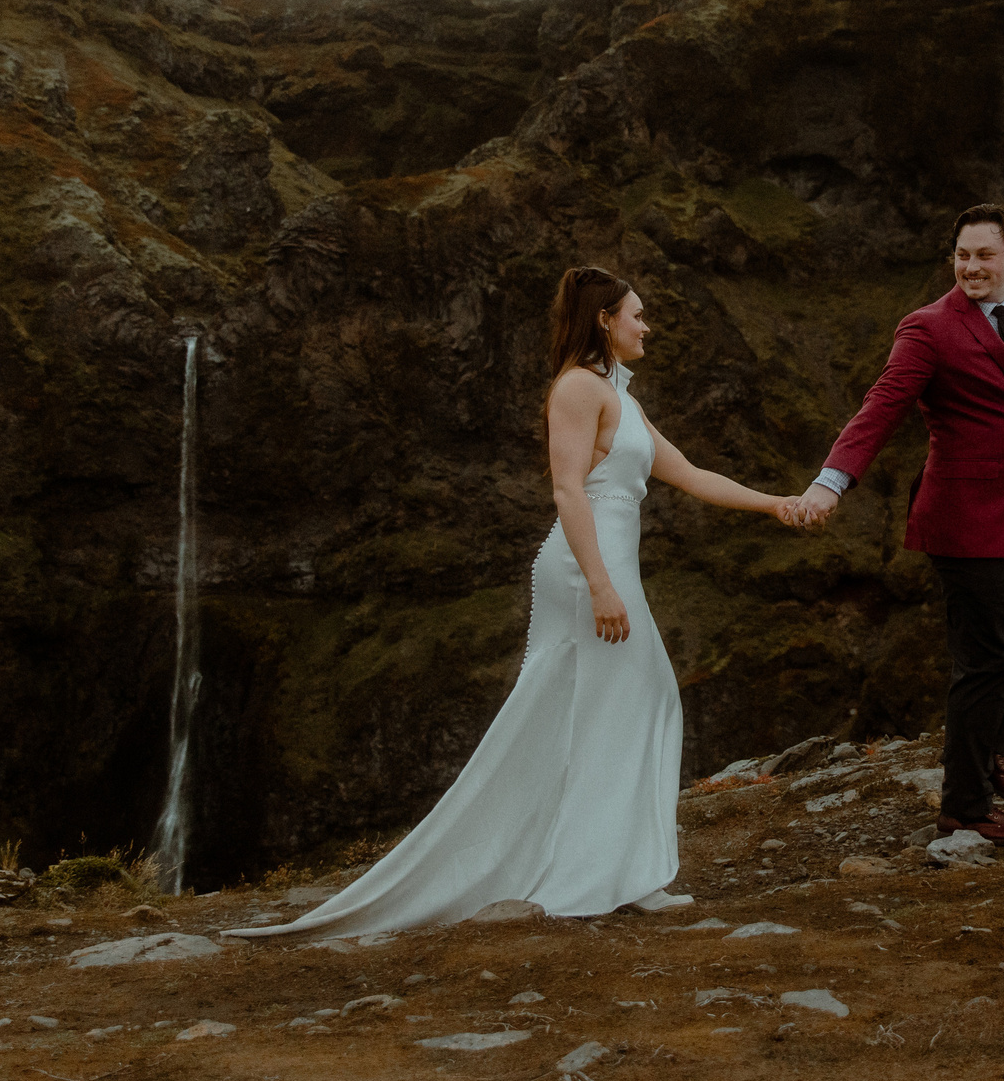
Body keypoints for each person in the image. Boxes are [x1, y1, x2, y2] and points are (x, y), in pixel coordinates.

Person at [230, 266, 800, 939]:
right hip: (585, 565)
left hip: (607, 563)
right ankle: (588, 874)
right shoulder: (578, 388)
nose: (646, 326)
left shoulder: (622, 395)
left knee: (626, 704)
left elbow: (690, 473)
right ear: (604, 320)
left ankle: (620, 870)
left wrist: (776, 504)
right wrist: (599, 584)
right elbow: (568, 490)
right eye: (637, 315)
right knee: (635, 697)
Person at [791, 204, 1004, 848]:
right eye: (962, 255)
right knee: (984, 664)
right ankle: (964, 810)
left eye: (984, 255)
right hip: (968, 523)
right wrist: (831, 483)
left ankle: (985, 749)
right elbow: (881, 406)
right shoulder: (929, 328)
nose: (971, 267)